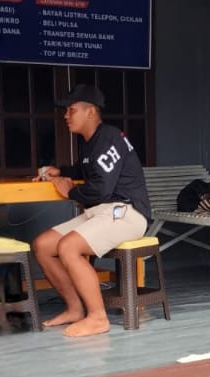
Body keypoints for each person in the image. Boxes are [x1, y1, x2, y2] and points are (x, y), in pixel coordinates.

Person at [32, 83, 152, 338]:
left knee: (68, 247)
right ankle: (75, 308)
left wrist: (70, 192)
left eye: (71, 110)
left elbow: (101, 189)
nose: (66, 116)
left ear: (91, 112)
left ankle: (98, 318)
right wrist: (62, 171)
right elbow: (87, 169)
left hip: (127, 212)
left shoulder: (109, 137)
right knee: (43, 245)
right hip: (102, 211)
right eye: (66, 111)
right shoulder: (91, 142)